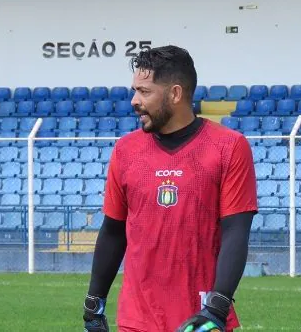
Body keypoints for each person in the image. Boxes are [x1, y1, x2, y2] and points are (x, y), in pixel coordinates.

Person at [83, 45, 258, 332]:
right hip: (136, 319)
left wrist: (217, 306)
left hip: (202, 318)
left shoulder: (229, 147)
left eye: (144, 91)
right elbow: (113, 230)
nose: (134, 101)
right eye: (134, 90)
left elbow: (236, 232)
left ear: (175, 94)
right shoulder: (126, 150)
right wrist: (94, 304)